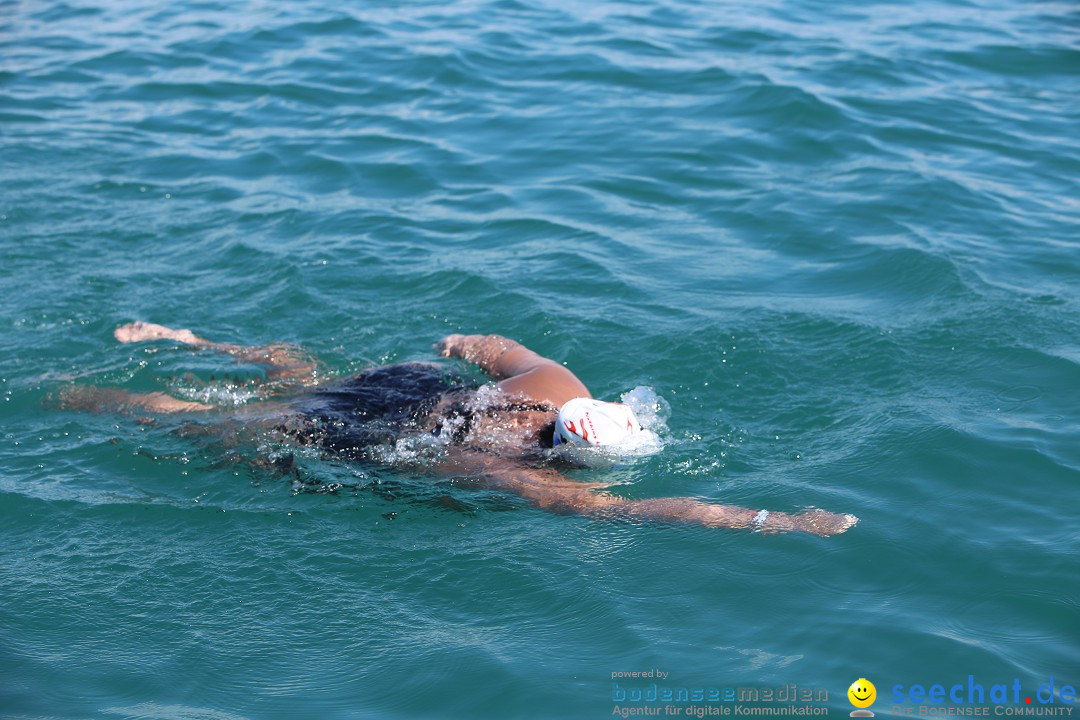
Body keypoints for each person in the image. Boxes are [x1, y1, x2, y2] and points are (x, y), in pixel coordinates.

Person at [61, 321, 858, 536]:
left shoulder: (556, 383)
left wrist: (458, 349)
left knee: (301, 378)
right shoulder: (518, 476)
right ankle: (77, 398)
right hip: (392, 438)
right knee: (220, 428)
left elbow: (480, 344)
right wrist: (778, 519)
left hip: (407, 386)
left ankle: (195, 341)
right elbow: (642, 513)